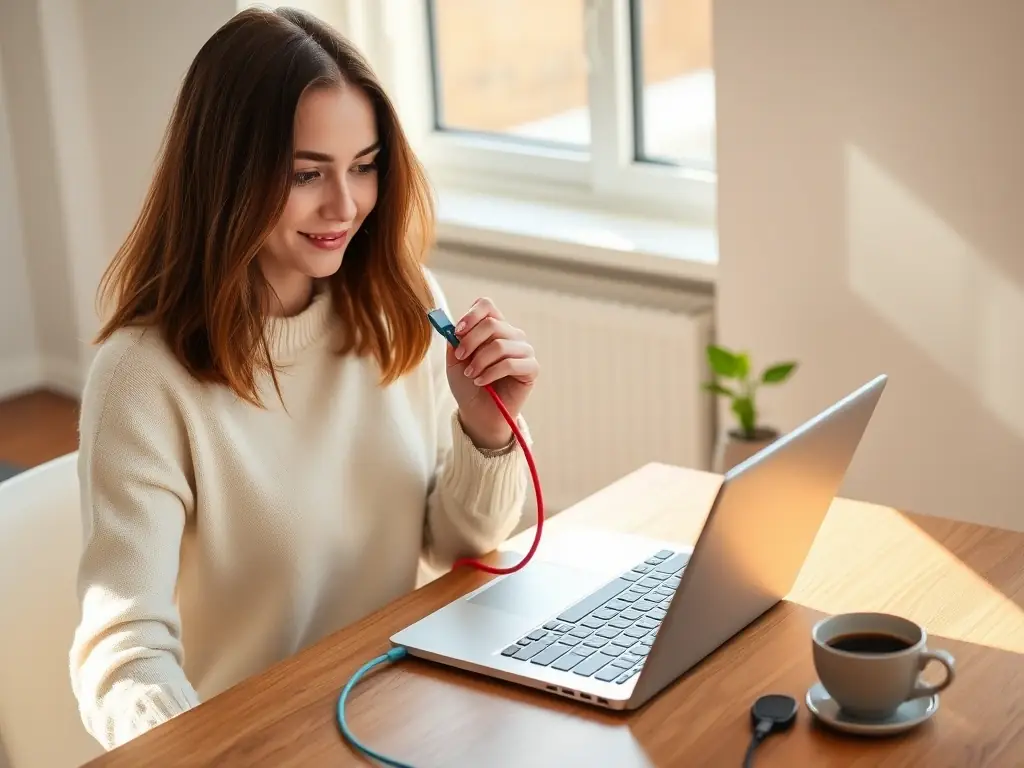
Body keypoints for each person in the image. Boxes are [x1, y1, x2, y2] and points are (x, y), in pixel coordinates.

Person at [68, 5, 538, 750]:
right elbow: (123, 659)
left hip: (396, 710)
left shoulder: (402, 301)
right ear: (225, 175)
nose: (344, 207)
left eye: (364, 166)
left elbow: (454, 548)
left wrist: (484, 426)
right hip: (251, 745)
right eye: (305, 174)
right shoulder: (142, 377)